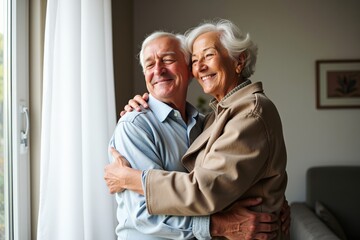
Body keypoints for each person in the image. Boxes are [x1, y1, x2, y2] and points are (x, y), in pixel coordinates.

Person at [105, 20, 289, 239]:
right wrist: (219, 225)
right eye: (149, 65)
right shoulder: (135, 126)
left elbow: (206, 189)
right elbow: (143, 212)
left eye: (168, 60)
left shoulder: (224, 119)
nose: (158, 70)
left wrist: (131, 178)